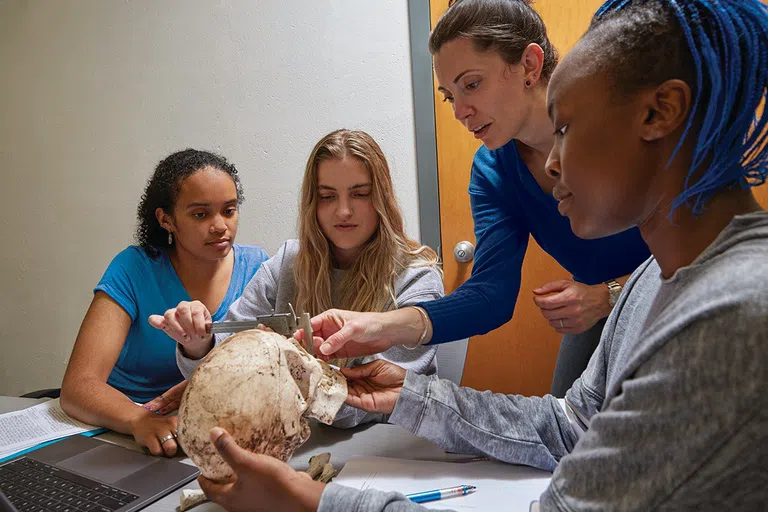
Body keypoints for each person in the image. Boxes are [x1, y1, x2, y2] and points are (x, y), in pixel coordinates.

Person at [195, 0, 768, 509]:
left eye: (566, 128)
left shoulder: (730, 317)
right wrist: (411, 397)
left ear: (659, 112)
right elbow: (569, 425)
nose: (548, 163)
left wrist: (313, 502)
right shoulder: (652, 280)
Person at [328, 0, 655, 396]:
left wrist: (609, 294)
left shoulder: (624, 118)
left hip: (676, 293)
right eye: (450, 96)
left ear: (529, 67)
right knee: (570, 439)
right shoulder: (493, 170)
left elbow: (707, 244)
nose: (461, 112)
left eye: (472, 84)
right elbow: (491, 295)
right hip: (596, 312)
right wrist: (381, 328)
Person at [151, 129, 444, 428]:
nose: (343, 211)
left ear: (382, 197)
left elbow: (372, 403)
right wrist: (198, 344)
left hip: (388, 453)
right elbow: (220, 362)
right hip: (297, 445)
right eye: (327, 197)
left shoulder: (417, 277)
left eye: (360, 194)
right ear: (311, 203)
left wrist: (278, 368)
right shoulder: (289, 262)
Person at [60, 149, 269, 457]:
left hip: (210, 435)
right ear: (166, 219)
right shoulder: (133, 268)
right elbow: (78, 387)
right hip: (124, 431)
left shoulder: (259, 268)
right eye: (200, 214)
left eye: (229, 210)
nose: (220, 226)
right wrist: (138, 420)